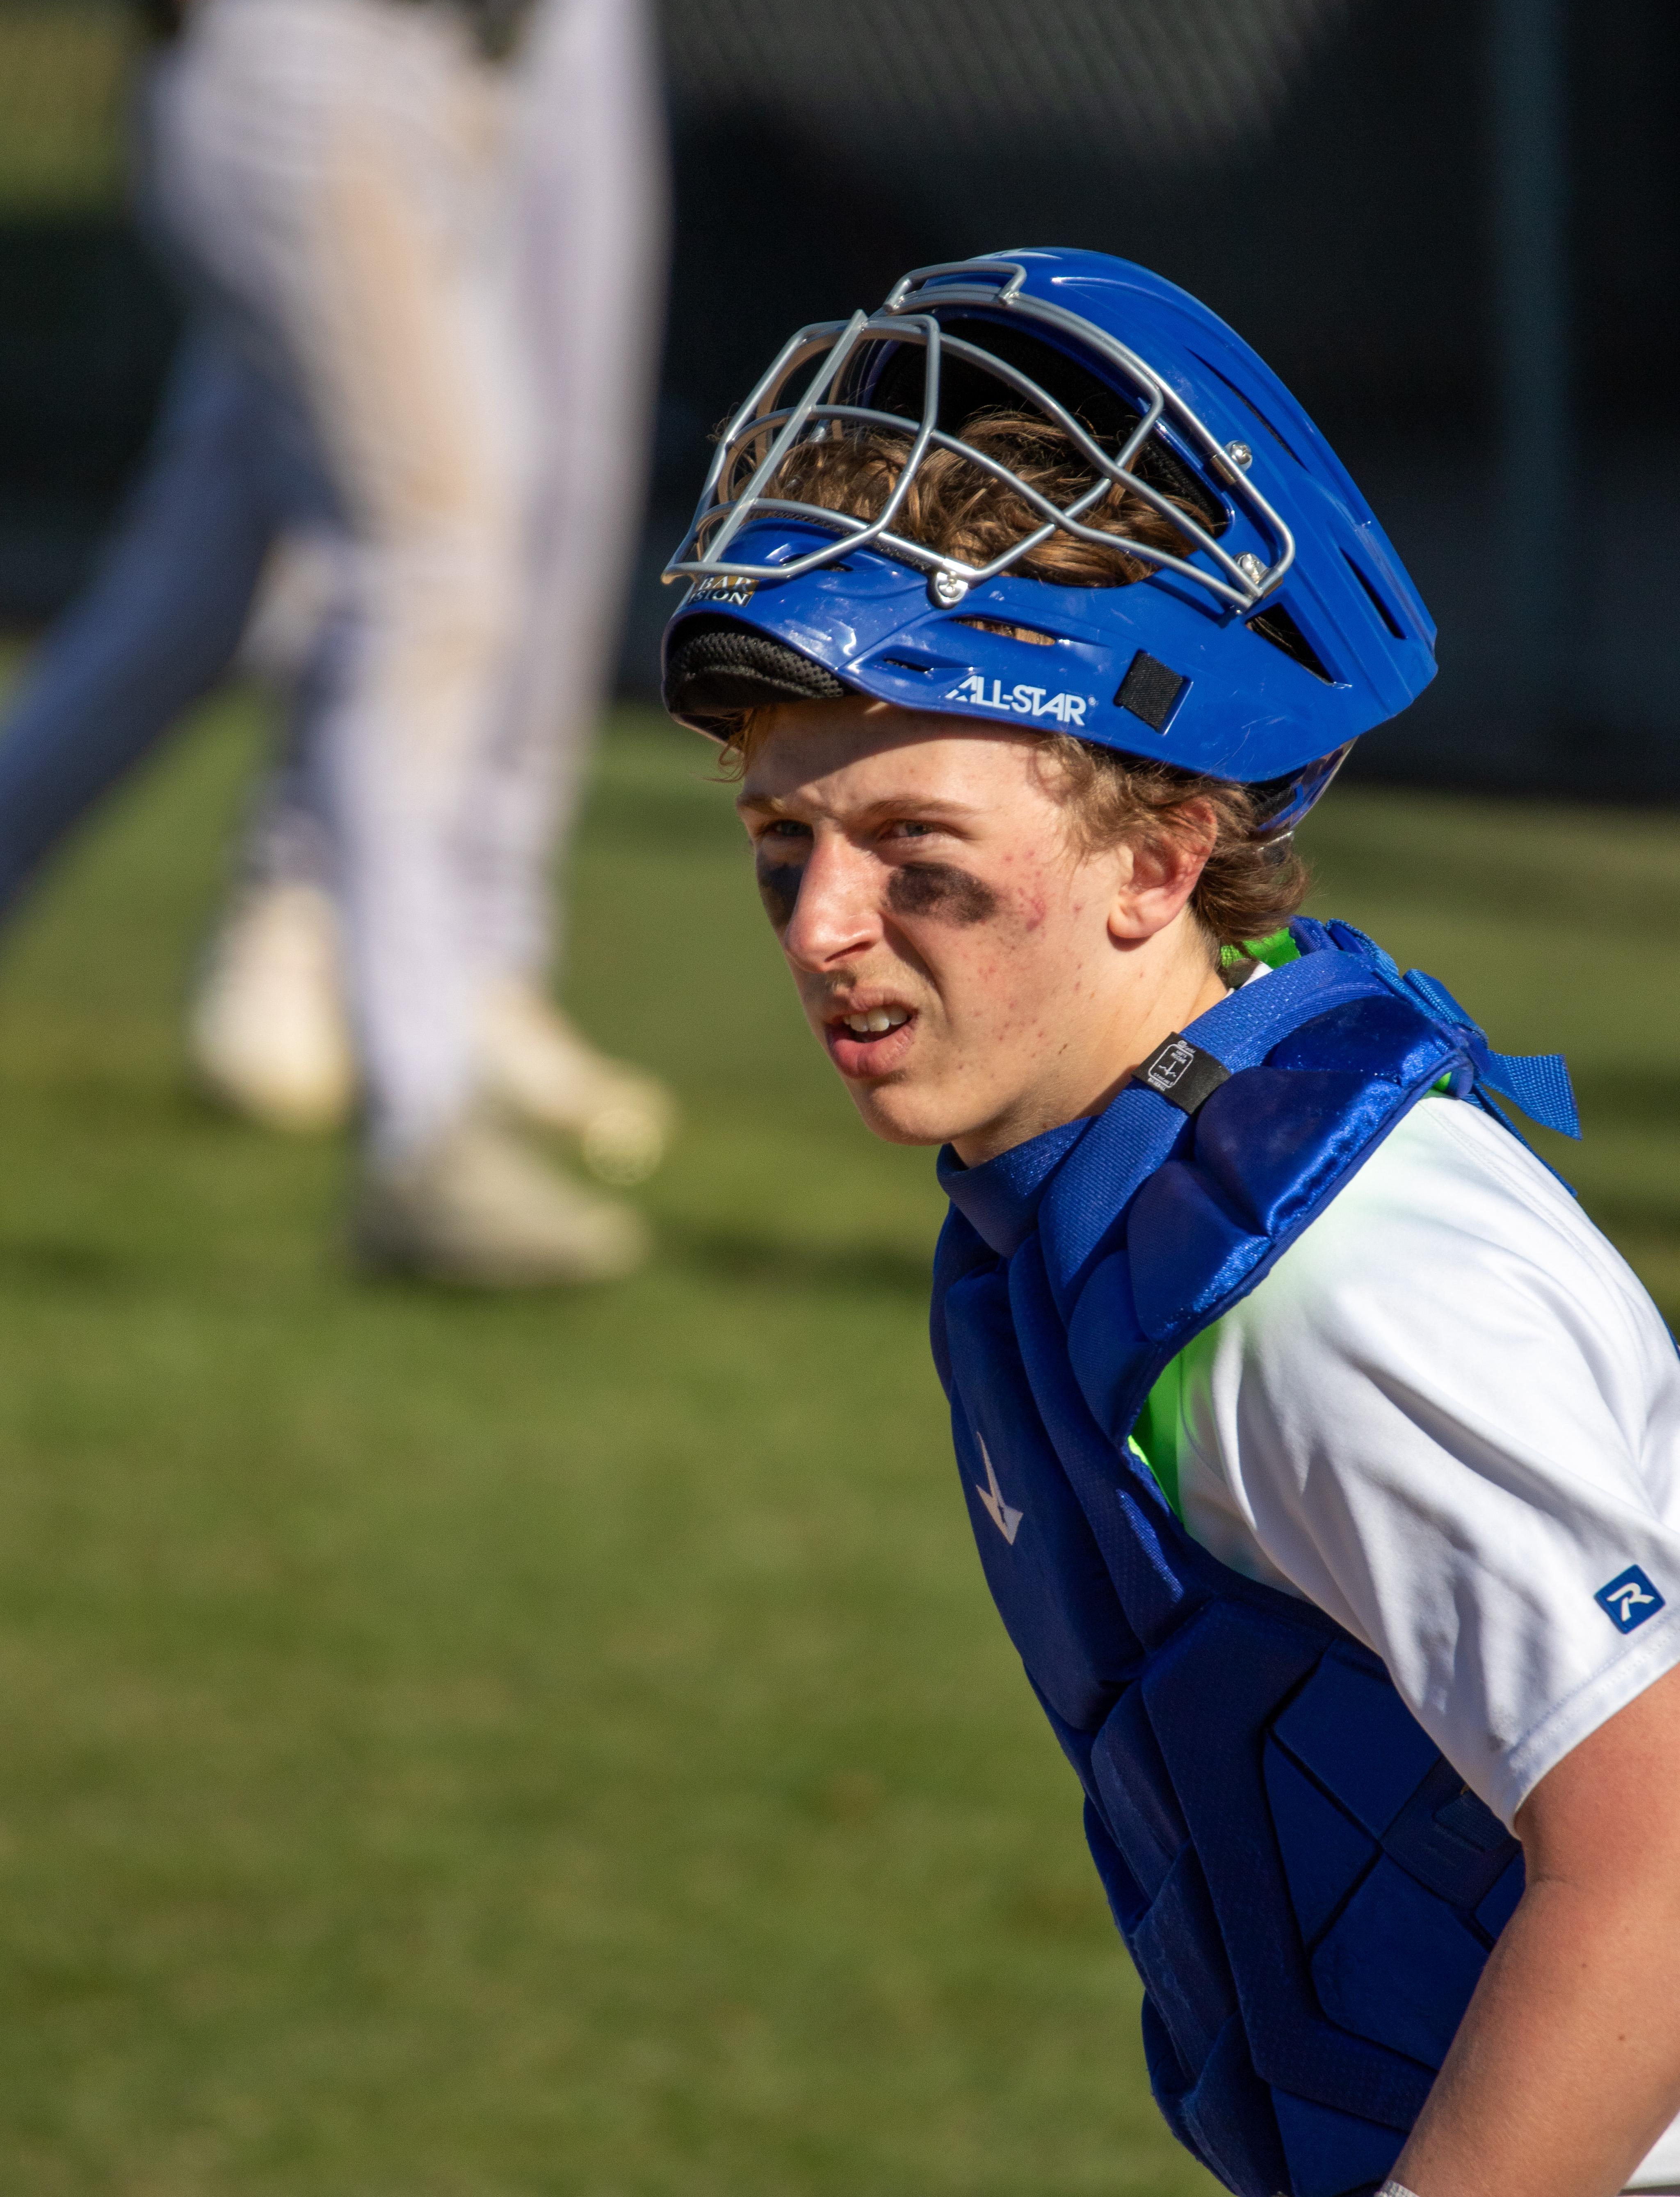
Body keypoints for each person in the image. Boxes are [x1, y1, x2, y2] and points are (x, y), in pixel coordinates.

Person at [657, 248, 1680, 2197]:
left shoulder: (1335, 1298)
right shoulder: (1097, 1202)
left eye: (916, 858)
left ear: (1159, 851)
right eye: (782, 846)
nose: (819, 934)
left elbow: (1657, 1863)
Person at [0, 0, 767, 1283]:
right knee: (436, 563)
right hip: (308, 61)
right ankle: (424, 1124)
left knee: (184, 608)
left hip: (446, 76)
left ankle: (426, 1091)